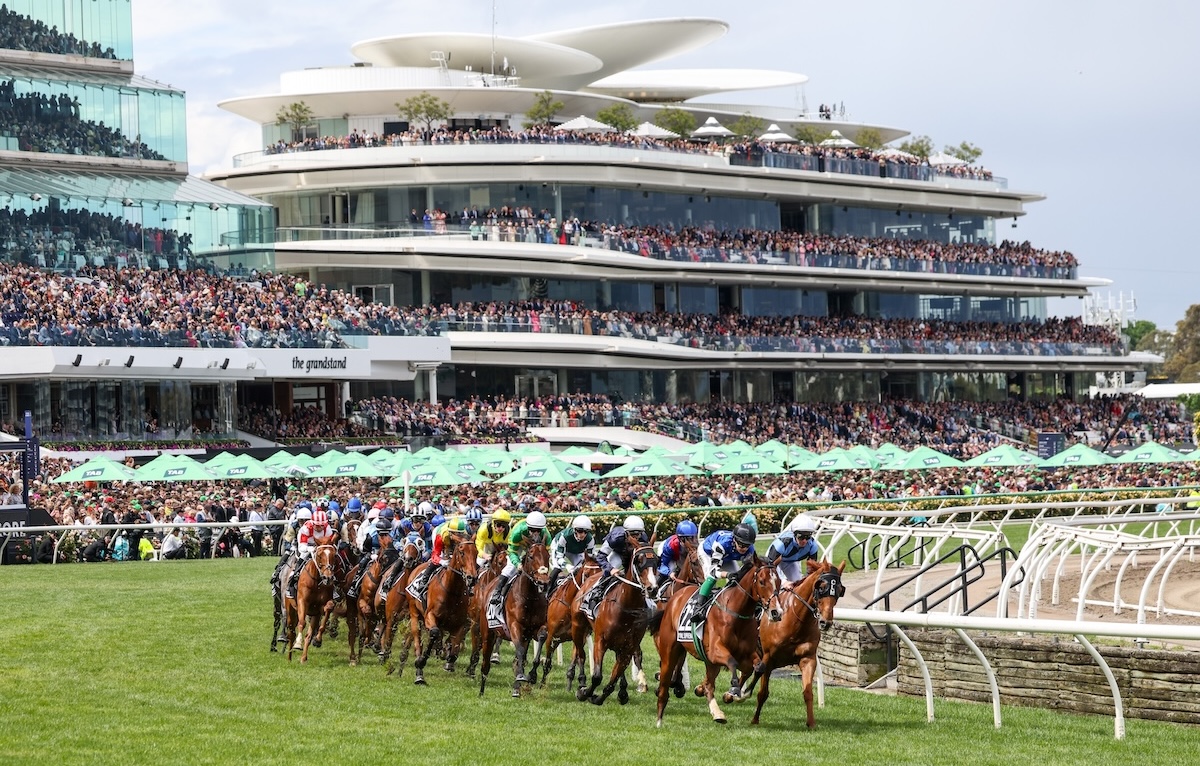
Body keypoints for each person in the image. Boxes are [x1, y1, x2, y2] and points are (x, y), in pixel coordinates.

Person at [583, 515, 649, 614]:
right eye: (632, 534)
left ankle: (647, 598)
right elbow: (600, 557)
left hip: (632, 555)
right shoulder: (615, 538)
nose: (635, 537)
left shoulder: (643, 538)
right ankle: (596, 592)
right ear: (626, 533)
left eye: (638, 534)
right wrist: (610, 569)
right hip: (618, 553)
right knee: (609, 571)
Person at [690, 523, 758, 618]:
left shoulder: (750, 550)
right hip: (708, 553)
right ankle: (698, 608)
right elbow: (714, 571)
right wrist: (727, 575)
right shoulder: (722, 544)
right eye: (741, 545)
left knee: (740, 579)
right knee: (711, 578)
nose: (744, 548)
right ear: (734, 540)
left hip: (728, 555)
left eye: (747, 545)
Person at [488, 510, 550, 611]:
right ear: (528, 527)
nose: (535, 533)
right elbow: (512, 552)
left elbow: (546, 555)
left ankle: (547, 593)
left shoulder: (546, 535)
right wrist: (518, 564)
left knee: (543, 570)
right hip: (520, 547)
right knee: (510, 568)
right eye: (532, 530)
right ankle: (497, 593)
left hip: (536, 549)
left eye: (538, 530)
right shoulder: (518, 531)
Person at [286, 510, 333, 599]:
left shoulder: (327, 528)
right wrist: (311, 549)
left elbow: (329, 543)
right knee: (303, 557)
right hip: (307, 547)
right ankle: (294, 577)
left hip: (322, 547)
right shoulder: (305, 528)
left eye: (322, 525)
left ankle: (336, 587)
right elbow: (302, 547)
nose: (320, 528)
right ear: (313, 523)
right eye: (317, 525)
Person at [765, 514, 820, 586]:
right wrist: (783, 582)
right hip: (774, 561)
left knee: (798, 584)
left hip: (790, 562)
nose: (804, 541)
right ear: (794, 534)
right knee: (778, 583)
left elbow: (812, 570)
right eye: (801, 537)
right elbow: (770, 566)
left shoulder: (813, 546)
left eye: (808, 537)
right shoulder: (781, 544)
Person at [347, 516, 391, 600]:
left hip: (389, 554)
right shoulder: (371, 535)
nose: (384, 535)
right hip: (372, 553)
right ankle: (354, 586)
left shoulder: (392, 535)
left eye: (387, 533)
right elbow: (364, 549)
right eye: (382, 533)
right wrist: (372, 555)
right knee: (362, 564)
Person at [548, 514, 595, 589]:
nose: (583, 534)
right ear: (574, 530)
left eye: (586, 532)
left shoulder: (590, 539)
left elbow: (589, 559)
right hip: (560, 546)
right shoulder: (564, 536)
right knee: (557, 567)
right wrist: (567, 566)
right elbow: (559, 557)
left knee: (582, 569)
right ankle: (547, 590)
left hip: (575, 551)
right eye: (580, 531)